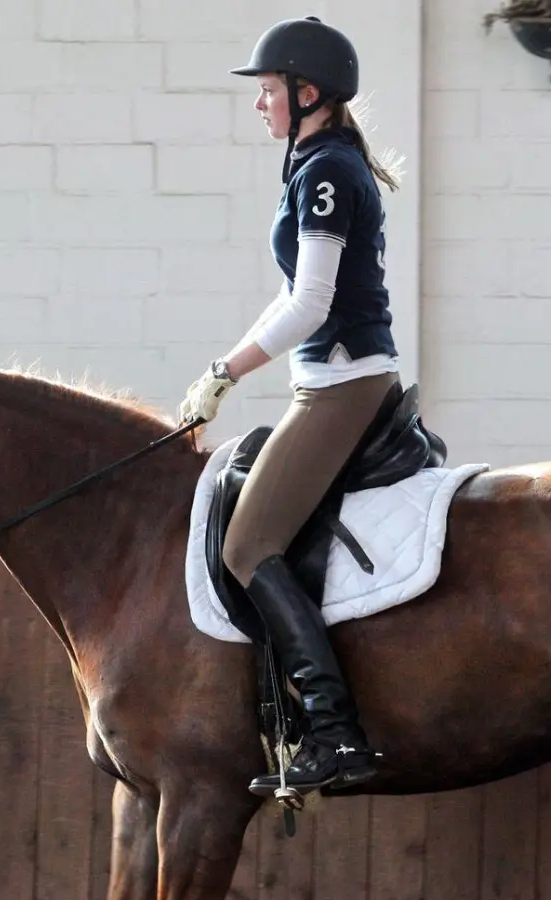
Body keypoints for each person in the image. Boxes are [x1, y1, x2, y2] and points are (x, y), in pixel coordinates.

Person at [178, 15, 406, 798]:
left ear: (307, 93)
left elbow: (310, 304)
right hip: (329, 378)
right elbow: (292, 294)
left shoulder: (327, 171)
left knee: (246, 546)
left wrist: (225, 371)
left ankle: (335, 731)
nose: (259, 104)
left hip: (346, 380)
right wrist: (222, 366)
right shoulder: (312, 162)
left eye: (268, 90)